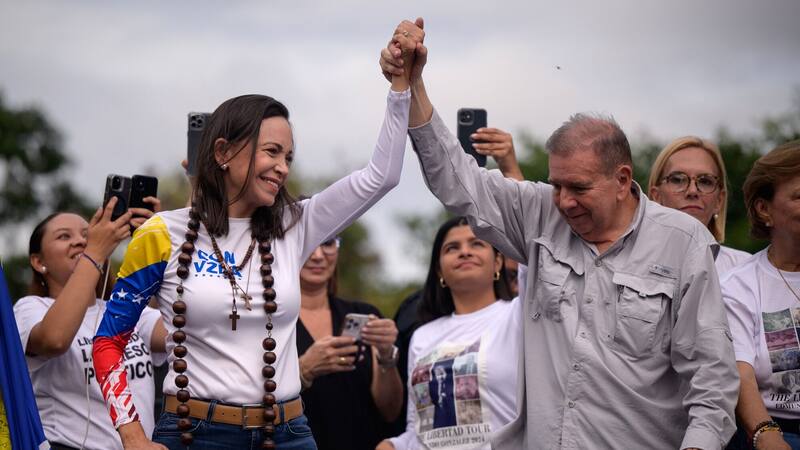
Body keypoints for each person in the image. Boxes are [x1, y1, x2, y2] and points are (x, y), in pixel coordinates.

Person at [380, 18, 739, 449]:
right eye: (557, 185)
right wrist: (413, 84)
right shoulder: (539, 213)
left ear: (623, 179)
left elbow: (712, 379)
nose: (565, 201)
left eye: (580, 188)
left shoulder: (683, 242)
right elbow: (457, 180)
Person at [92, 36, 416, 450]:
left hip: (286, 434)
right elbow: (108, 342)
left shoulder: (296, 224)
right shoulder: (161, 234)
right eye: (272, 152)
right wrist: (133, 436)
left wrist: (400, 86)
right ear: (223, 152)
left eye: (289, 158)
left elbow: (382, 176)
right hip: (194, 434)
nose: (282, 168)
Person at [13, 199, 167, 450]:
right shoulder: (30, 308)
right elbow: (54, 339)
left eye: (88, 235)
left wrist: (161, 245)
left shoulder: (122, 309)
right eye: (64, 236)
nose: (80, 241)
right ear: (38, 262)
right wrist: (94, 251)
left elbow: (184, 332)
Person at [378, 216, 516, 450]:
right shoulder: (422, 336)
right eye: (452, 248)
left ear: (498, 262)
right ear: (439, 270)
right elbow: (417, 430)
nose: (465, 252)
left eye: (477, 244)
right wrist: (392, 445)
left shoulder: (518, 316)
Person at [722, 140, 800, 450]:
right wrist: (766, 433)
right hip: (777, 429)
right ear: (764, 209)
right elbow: (741, 374)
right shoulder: (738, 285)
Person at [297, 235, 403, 449]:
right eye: (308, 243)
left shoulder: (364, 314)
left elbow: (391, 411)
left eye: (327, 243)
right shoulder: (269, 322)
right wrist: (303, 369)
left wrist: (386, 356)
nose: (318, 255)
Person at [648, 136, 749, 275]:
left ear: (719, 200)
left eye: (705, 181)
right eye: (678, 179)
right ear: (656, 196)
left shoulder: (745, 271)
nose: (692, 191)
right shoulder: (627, 262)